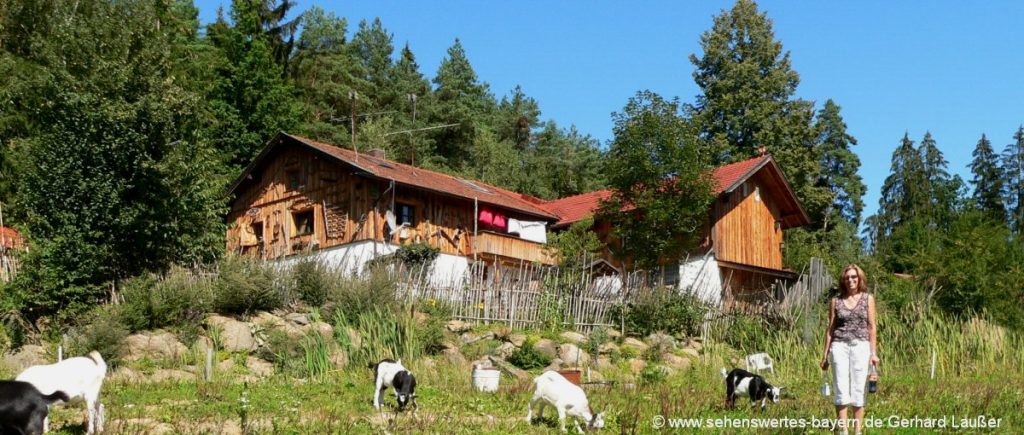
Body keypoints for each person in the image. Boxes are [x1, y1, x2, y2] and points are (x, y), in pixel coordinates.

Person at [820, 264, 879, 435]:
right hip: (839, 346)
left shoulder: (867, 299)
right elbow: (830, 329)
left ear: (859, 279)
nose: (851, 280)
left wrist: (873, 353)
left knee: (859, 387)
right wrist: (825, 354)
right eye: (847, 278)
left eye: (854, 277)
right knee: (841, 386)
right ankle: (842, 430)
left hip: (861, 346)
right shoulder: (835, 301)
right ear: (843, 281)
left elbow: (872, 327)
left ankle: (858, 430)